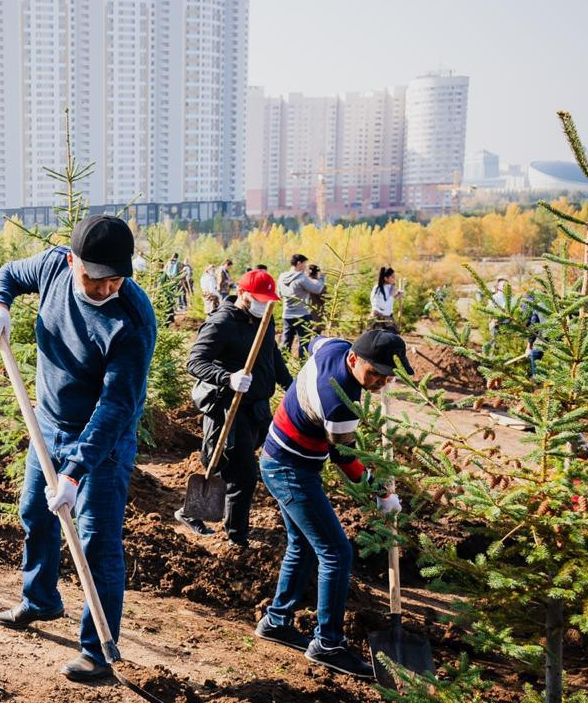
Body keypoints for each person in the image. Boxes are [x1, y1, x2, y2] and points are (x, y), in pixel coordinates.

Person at [0, 215, 157, 684]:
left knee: (98, 541)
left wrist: (76, 471)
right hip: (48, 423)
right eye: (94, 279)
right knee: (35, 513)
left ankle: (98, 650)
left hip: (103, 443)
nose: (104, 290)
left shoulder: (132, 322)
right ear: (73, 260)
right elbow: (9, 275)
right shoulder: (54, 267)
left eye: (115, 281)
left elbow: (117, 406)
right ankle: (40, 600)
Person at [255, 329, 413, 679]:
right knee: (337, 553)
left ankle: (276, 621)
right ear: (354, 360)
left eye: (388, 378)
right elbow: (345, 457)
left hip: (283, 460)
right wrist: (379, 493)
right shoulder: (339, 401)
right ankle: (328, 644)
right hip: (290, 470)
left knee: (303, 545)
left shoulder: (335, 347)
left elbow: (315, 341)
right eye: (375, 374)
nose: (380, 384)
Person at [175, 269, 292, 541]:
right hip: (229, 408)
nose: (265, 305)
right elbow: (194, 361)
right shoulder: (222, 322)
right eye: (258, 299)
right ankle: (236, 538)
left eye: (268, 300)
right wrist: (227, 378)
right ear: (242, 294)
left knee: (228, 464)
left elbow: (272, 354)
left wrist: (291, 385)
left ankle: (192, 511)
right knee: (244, 475)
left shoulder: (265, 319)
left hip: (257, 408)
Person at [277, 254, 326, 357]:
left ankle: (282, 364)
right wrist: (322, 278)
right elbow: (317, 289)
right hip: (302, 315)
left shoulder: (282, 276)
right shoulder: (301, 277)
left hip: (287, 315)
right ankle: (302, 366)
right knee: (304, 343)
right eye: (304, 263)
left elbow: (279, 294)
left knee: (286, 342)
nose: (305, 266)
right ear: (299, 263)